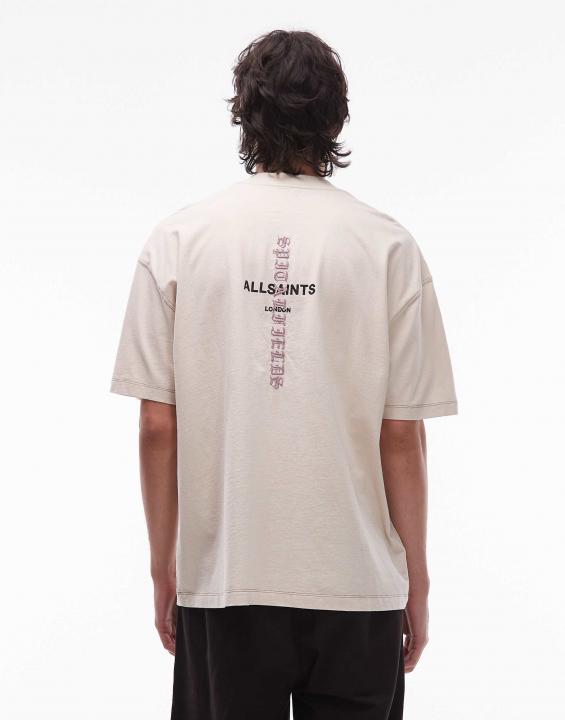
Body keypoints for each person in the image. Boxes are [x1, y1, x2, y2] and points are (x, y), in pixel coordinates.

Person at [110, 29, 457, 720]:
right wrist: (415, 580)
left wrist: (164, 566)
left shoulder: (179, 241)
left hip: (226, 578)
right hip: (358, 584)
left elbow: (156, 425)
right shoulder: (388, 247)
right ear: (336, 116)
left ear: (243, 111)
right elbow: (401, 436)